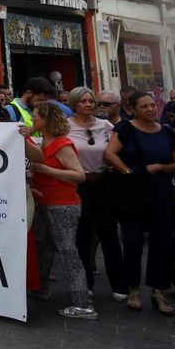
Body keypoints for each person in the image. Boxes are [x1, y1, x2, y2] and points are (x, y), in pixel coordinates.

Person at [104, 91, 175, 315]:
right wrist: (129, 172)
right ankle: (133, 288)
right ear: (133, 109)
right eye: (144, 106)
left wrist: (161, 168)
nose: (150, 109)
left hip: (160, 192)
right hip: (132, 193)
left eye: (152, 105)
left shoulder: (167, 132)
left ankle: (159, 290)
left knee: (161, 241)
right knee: (132, 240)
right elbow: (110, 154)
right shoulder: (125, 129)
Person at [28, 101, 92, 319]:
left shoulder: (62, 144)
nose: (33, 119)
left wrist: (48, 171)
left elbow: (79, 175)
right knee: (44, 247)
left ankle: (82, 304)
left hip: (63, 203)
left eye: (36, 116)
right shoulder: (43, 141)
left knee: (67, 251)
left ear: (46, 119)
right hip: (45, 201)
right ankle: (41, 288)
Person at [68, 87, 121, 302]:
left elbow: (118, 150)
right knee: (82, 235)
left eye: (91, 101)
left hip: (103, 184)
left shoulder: (105, 126)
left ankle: (119, 284)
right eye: (83, 101)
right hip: (79, 185)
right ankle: (86, 283)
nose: (88, 105)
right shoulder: (65, 127)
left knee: (109, 233)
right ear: (74, 103)